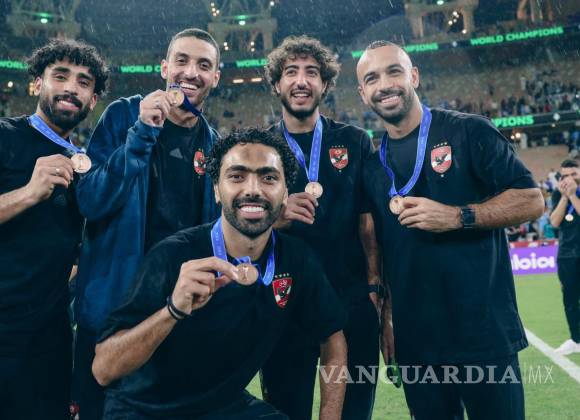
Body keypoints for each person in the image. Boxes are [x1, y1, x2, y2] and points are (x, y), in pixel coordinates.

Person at [91, 128, 348, 420]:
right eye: (237, 176)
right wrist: (172, 311)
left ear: (286, 192)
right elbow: (103, 370)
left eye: (268, 178)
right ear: (216, 189)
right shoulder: (173, 255)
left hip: (224, 407)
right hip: (144, 411)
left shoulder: (296, 260)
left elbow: (333, 338)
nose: (253, 189)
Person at [357, 41, 544, 420]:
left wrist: (458, 216)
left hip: (483, 333)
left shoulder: (468, 131)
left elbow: (531, 200)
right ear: (363, 93)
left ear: (414, 76)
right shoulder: (373, 167)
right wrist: (386, 316)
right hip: (417, 342)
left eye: (394, 71)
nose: (385, 84)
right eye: (372, 78)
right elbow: (384, 250)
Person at [73, 28, 221, 419]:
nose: (191, 72)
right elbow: (91, 201)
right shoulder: (123, 115)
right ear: (164, 68)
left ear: (215, 77)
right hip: (112, 315)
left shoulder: (214, 144)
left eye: (203, 65)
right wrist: (141, 134)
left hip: (174, 317)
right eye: (182, 61)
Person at [260, 35, 383, 420]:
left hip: (350, 301)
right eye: (291, 72)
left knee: (353, 412)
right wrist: (275, 218)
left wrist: (374, 287)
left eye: (311, 72)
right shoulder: (259, 148)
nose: (301, 81)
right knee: (284, 412)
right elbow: (237, 225)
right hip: (283, 301)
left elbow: (368, 222)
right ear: (276, 84)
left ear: (325, 84)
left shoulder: (354, 140)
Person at [0, 39, 108, 419]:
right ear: (37, 84)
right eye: (60, 76)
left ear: (93, 101)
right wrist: (28, 194)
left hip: (50, 342)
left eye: (83, 82)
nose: (71, 88)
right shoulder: (5, 135)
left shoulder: (85, 167)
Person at [549, 159, 580, 355]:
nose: (569, 179)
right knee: (570, 299)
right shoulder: (557, 194)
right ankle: (576, 340)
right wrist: (564, 197)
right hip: (567, 254)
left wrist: (573, 196)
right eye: (564, 176)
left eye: (573, 174)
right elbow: (554, 222)